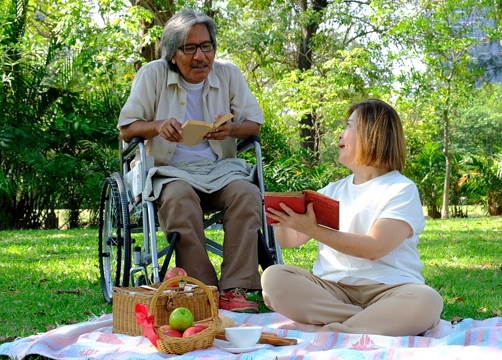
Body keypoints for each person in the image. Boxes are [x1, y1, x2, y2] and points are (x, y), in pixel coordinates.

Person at [117, 10, 264, 313]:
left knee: (247, 195)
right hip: (169, 171)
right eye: (190, 48)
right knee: (179, 199)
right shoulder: (152, 74)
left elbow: (254, 125)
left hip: (219, 169)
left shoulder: (228, 74)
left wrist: (230, 129)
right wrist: (157, 126)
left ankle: (235, 288)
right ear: (172, 55)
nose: (201, 56)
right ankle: (204, 289)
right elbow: (127, 128)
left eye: (206, 46)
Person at [261, 98, 443, 335]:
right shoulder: (332, 190)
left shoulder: (401, 189)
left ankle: (336, 328)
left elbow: (374, 248)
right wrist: (278, 213)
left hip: (389, 288)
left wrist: (313, 229)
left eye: (348, 126)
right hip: (333, 290)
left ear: (371, 134)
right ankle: (371, 323)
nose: (340, 134)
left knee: (426, 301)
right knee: (274, 277)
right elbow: (290, 240)